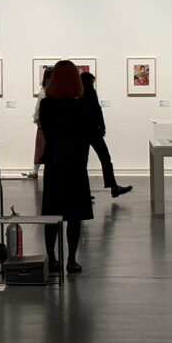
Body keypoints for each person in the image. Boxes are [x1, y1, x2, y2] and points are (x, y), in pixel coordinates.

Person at [39, 60, 95, 273]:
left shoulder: (46, 105)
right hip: (75, 164)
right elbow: (85, 137)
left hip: (54, 164)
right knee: (74, 214)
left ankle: (52, 259)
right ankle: (71, 260)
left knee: (51, 214)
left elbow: (49, 135)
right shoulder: (81, 105)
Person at [80, 71, 132, 198]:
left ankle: (83, 193)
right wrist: (102, 126)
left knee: (82, 163)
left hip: (81, 131)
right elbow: (97, 110)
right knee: (105, 158)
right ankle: (113, 187)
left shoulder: (77, 94)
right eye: (92, 81)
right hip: (93, 131)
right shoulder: (91, 92)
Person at [23, 66, 54, 179]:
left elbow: (39, 108)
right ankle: (35, 171)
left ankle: (35, 171)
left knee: (42, 149)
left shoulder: (45, 91)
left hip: (45, 124)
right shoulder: (45, 91)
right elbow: (39, 109)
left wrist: (38, 119)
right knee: (42, 149)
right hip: (45, 124)